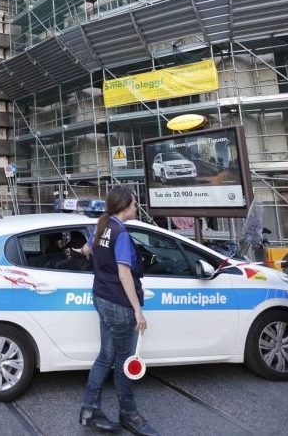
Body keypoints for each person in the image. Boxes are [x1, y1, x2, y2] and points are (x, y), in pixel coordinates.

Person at [79, 186, 158, 436]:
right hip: (119, 302)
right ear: (124, 206)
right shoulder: (121, 233)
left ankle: (89, 409)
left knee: (106, 356)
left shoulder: (103, 225)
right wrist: (137, 310)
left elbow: (87, 249)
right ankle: (129, 415)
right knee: (124, 362)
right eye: (134, 204)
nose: (136, 207)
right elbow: (125, 273)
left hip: (101, 296)